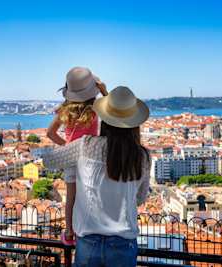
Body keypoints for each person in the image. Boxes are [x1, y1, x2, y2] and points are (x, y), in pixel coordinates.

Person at [43, 86, 151, 267]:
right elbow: (139, 198)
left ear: (105, 120)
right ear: (134, 123)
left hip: (88, 242)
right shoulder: (142, 156)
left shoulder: (86, 146)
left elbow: (49, 161)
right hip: (123, 244)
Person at [46, 67, 107, 245]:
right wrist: (104, 91)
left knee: (71, 196)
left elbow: (50, 133)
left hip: (72, 157)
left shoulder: (64, 110)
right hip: (91, 155)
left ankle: (69, 232)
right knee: (92, 194)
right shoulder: (95, 108)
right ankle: (93, 227)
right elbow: (114, 113)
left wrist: (68, 146)